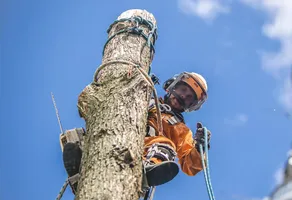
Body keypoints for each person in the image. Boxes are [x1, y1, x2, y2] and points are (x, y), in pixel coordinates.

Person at [62, 71, 211, 193]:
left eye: (189, 98)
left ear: (191, 106)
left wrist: (199, 147)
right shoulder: (145, 98)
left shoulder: (181, 129)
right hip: (116, 136)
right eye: (183, 90)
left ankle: (145, 173)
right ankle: (81, 169)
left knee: (165, 145)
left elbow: (189, 165)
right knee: (75, 137)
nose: (184, 96)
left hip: (141, 155)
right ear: (172, 86)